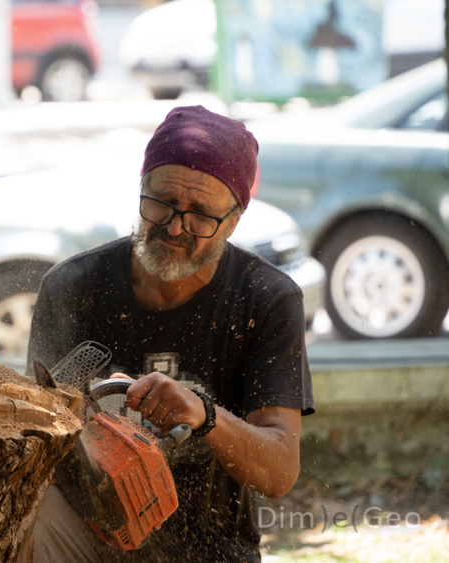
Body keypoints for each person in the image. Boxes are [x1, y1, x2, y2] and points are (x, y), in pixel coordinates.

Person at [26, 105, 314, 562]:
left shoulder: (266, 299)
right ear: (141, 190)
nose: (175, 226)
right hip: (87, 537)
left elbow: (279, 471)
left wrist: (206, 416)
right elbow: (37, 441)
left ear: (234, 221)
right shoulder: (72, 287)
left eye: (201, 214)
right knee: (32, 521)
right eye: (161, 202)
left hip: (210, 548)